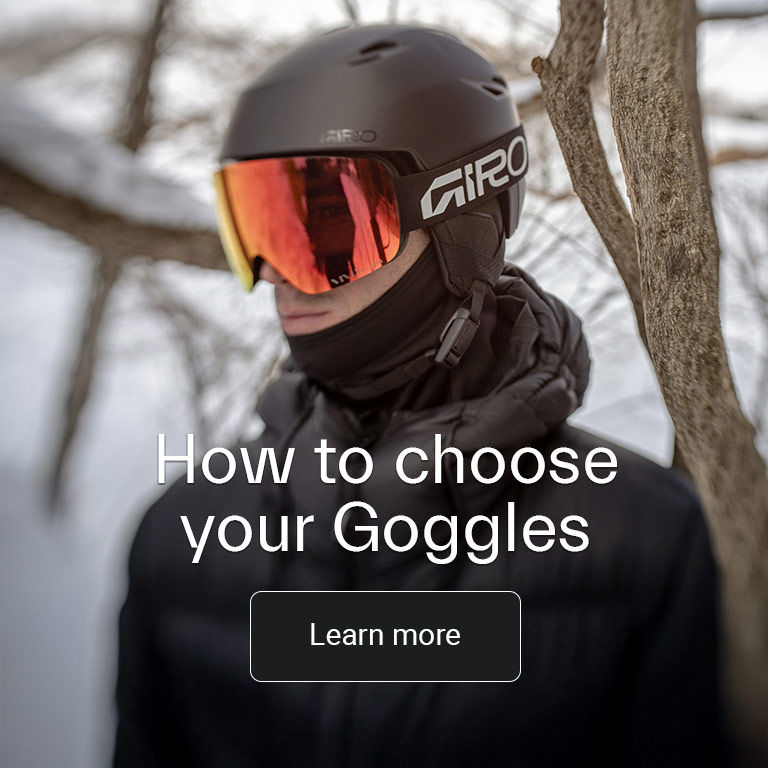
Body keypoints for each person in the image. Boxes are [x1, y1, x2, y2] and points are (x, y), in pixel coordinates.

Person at [114, 24, 726, 767]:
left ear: (458, 222)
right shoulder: (179, 539)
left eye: (326, 224)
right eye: (259, 224)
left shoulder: (642, 544)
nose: (274, 274)